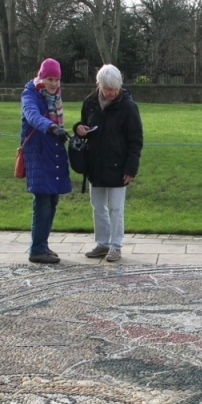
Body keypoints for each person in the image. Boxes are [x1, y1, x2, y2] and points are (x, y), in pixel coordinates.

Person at [74, 64, 143, 262]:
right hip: (95, 164)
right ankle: (102, 243)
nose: (112, 92)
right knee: (97, 205)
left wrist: (131, 168)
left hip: (118, 166)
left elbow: (135, 140)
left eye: (115, 88)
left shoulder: (128, 107)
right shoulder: (90, 102)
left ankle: (116, 245)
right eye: (108, 89)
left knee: (116, 207)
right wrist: (79, 128)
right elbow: (83, 123)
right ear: (99, 85)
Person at [20, 58, 72, 264]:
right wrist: (51, 127)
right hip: (38, 154)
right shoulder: (30, 94)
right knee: (42, 201)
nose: (53, 83)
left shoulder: (55, 97)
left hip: (53, 153)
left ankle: (43, 244)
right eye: (50, 79)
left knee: (52, 200)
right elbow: (32, 115)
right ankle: (37, 249)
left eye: (57, 79)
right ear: (41, 78)